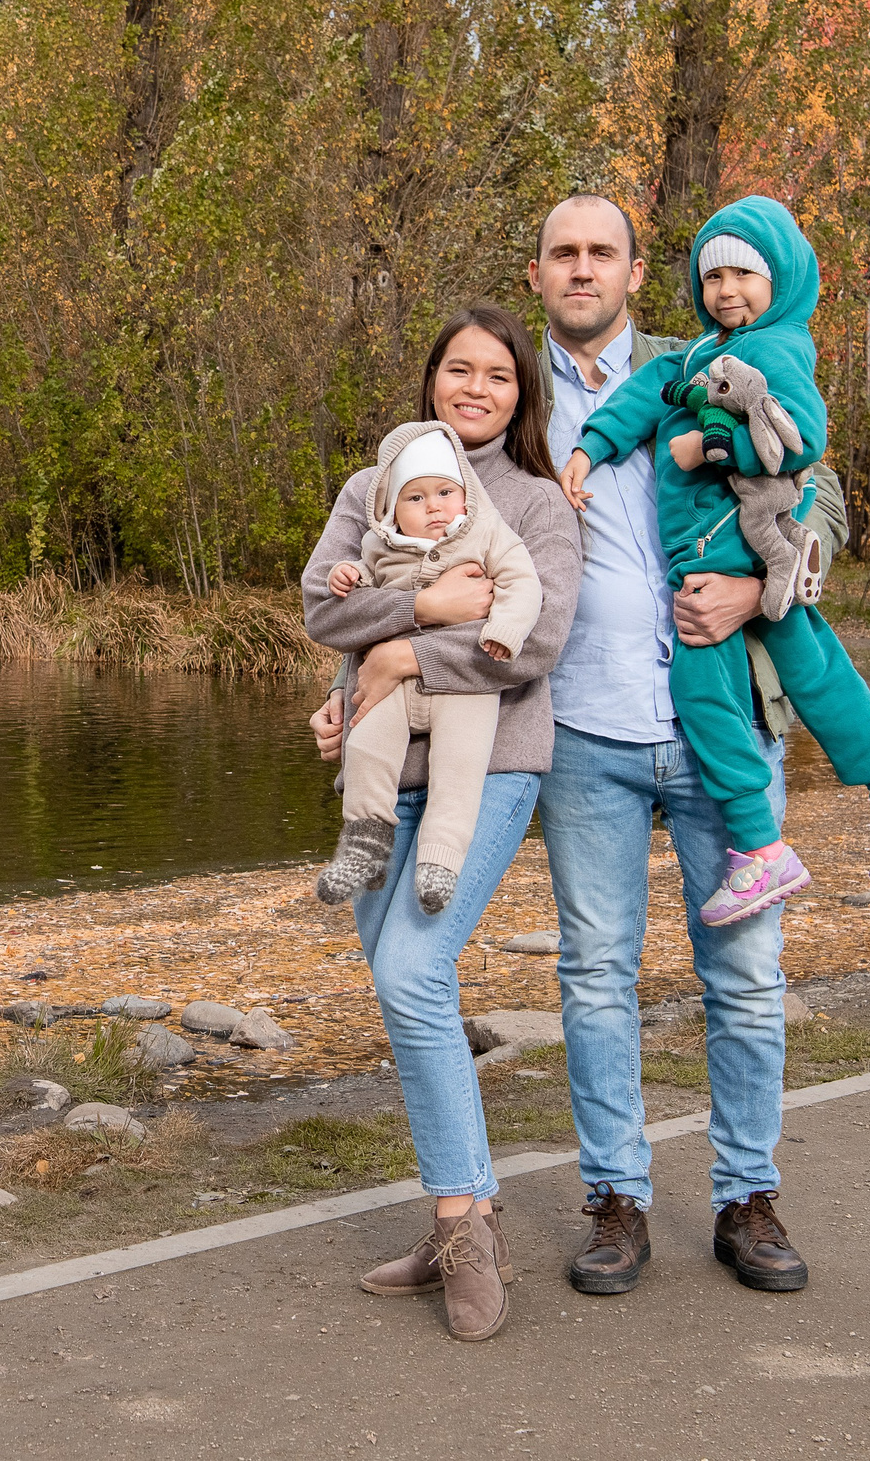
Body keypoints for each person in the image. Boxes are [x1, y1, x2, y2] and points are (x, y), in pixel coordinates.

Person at [312, 195, 850, 1300]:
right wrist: (350, 682)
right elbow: (418, 545)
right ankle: (616, 1200)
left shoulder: (706, 360)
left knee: (747, 972)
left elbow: (820, 490)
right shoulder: (509, 403)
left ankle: (747, 1197)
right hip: (585, 734)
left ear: (636, 272)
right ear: (538, 271)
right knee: (596, 973)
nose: (582, 269)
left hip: (722, 716)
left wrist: (764, 587)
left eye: (603, 252)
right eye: (563, 253)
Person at [301, 304, 581, 1343]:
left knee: (414, 974)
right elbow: (321, 607)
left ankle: (465, 1229)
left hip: (490, 768)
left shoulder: (537, 503)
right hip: (383, 773)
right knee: (401, 982)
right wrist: (421, 613)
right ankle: (465, 1210)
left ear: (521, 394)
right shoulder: (370, 486)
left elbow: (534, 642)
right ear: (431, 381)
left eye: (498, 375)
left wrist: (394, 657)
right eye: (459, 370)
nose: (476, 388)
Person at [559, 197, 870, 925]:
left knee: (703, 691)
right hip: (704, 586)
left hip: (721, 549)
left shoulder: (770, 348)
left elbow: (804, 443)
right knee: (819, 670)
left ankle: (762, 849)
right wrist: (589, 448)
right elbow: (645, 395)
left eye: (743, 274)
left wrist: (706, 451)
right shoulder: (696, 353)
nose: (726, 290)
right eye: (713, 277)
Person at [318, 419, 543, 911]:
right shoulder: (380, 544)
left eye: (445, 492)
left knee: (459, 767)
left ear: (465, 494)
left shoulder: (488, 534)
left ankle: (440, 861)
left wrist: (505, 630)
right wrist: (347, 574)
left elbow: (523, 584)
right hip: (390, 684)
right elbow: (351, 600)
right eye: (415, 498)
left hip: (465, 682)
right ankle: (364, 844)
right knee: (366, 748)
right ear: (392, 509)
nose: (434, 507)